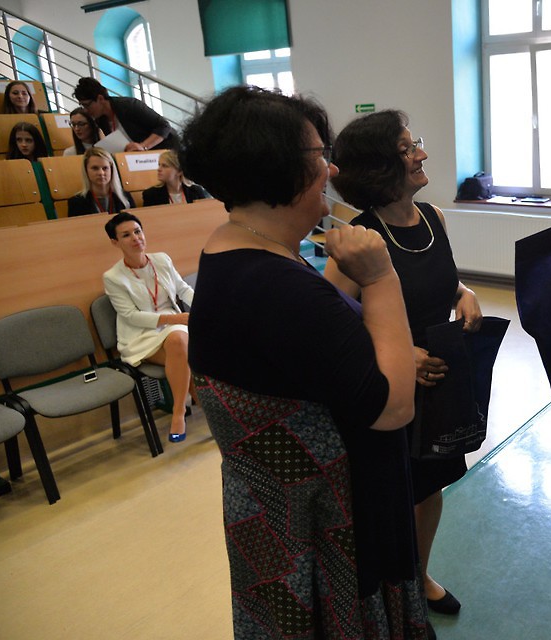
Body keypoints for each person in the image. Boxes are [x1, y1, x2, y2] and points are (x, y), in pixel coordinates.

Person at [181, 86, 431, 639]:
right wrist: (380, 278)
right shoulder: (276, 286)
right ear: (278, 167)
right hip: (329, 525)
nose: (331, 169)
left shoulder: (234, 253)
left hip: (290, 514)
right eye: (320, 155)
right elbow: (393, 407)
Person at [326, 109, 482, 617]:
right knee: (391, 497)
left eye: (417, 143)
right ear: (379, 166)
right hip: (389, 389)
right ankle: (391, 595)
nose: (422, 154)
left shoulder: (433, 218)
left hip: (437, 386)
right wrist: (399, 354)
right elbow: (333, 326)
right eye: (408, 148)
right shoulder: (360, 240)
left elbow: (435, 276)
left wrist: (463, 291)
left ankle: (418, 575)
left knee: (430, 489)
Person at [103, 212, 194, 443]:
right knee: (186, 350)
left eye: (137, 231)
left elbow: (183, 290)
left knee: (181, 344)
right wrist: (175, 319)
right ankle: (182, 412)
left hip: (175, 326)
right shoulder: (113, 277)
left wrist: (204, 309)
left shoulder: (161, 260)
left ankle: (185, 412)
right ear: (115, 242)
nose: (135, 238)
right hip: (141, 334)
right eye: (126, 235)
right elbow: (130, 316)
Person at [73, 77, 178, 152]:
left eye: (87, 105)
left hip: (167, 150)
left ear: (100, 99)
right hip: (142, 158)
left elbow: (164, 126)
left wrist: (143, 146)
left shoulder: (129, 105)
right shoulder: (101, 119)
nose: (85, 110)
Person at [67, 147, 136, 216]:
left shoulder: (125, 197)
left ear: (112, 170)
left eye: (105, 168)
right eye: (95, 168)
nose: (101, 173)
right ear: (86, 171)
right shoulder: (76, 203)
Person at [141, 150, 211, 206]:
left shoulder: (196, 191)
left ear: (179, 171)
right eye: (159, 165)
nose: (159, 169)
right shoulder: (151, 195)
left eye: (164, 166)